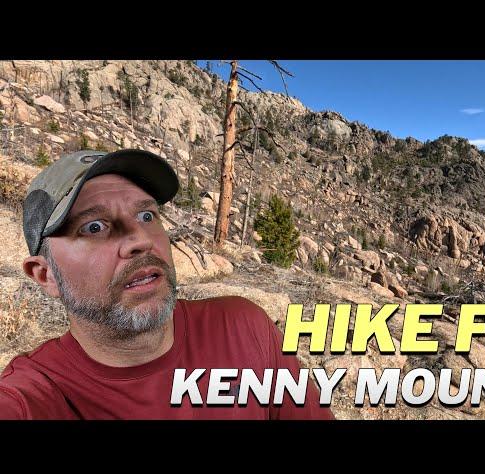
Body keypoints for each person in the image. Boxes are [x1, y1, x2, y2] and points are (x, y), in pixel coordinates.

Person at [0, 149, 334, 420]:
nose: (140, 239)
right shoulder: (33, 398)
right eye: (94, 227)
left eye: (147, 216)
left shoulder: (245, 328)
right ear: (46, 275)